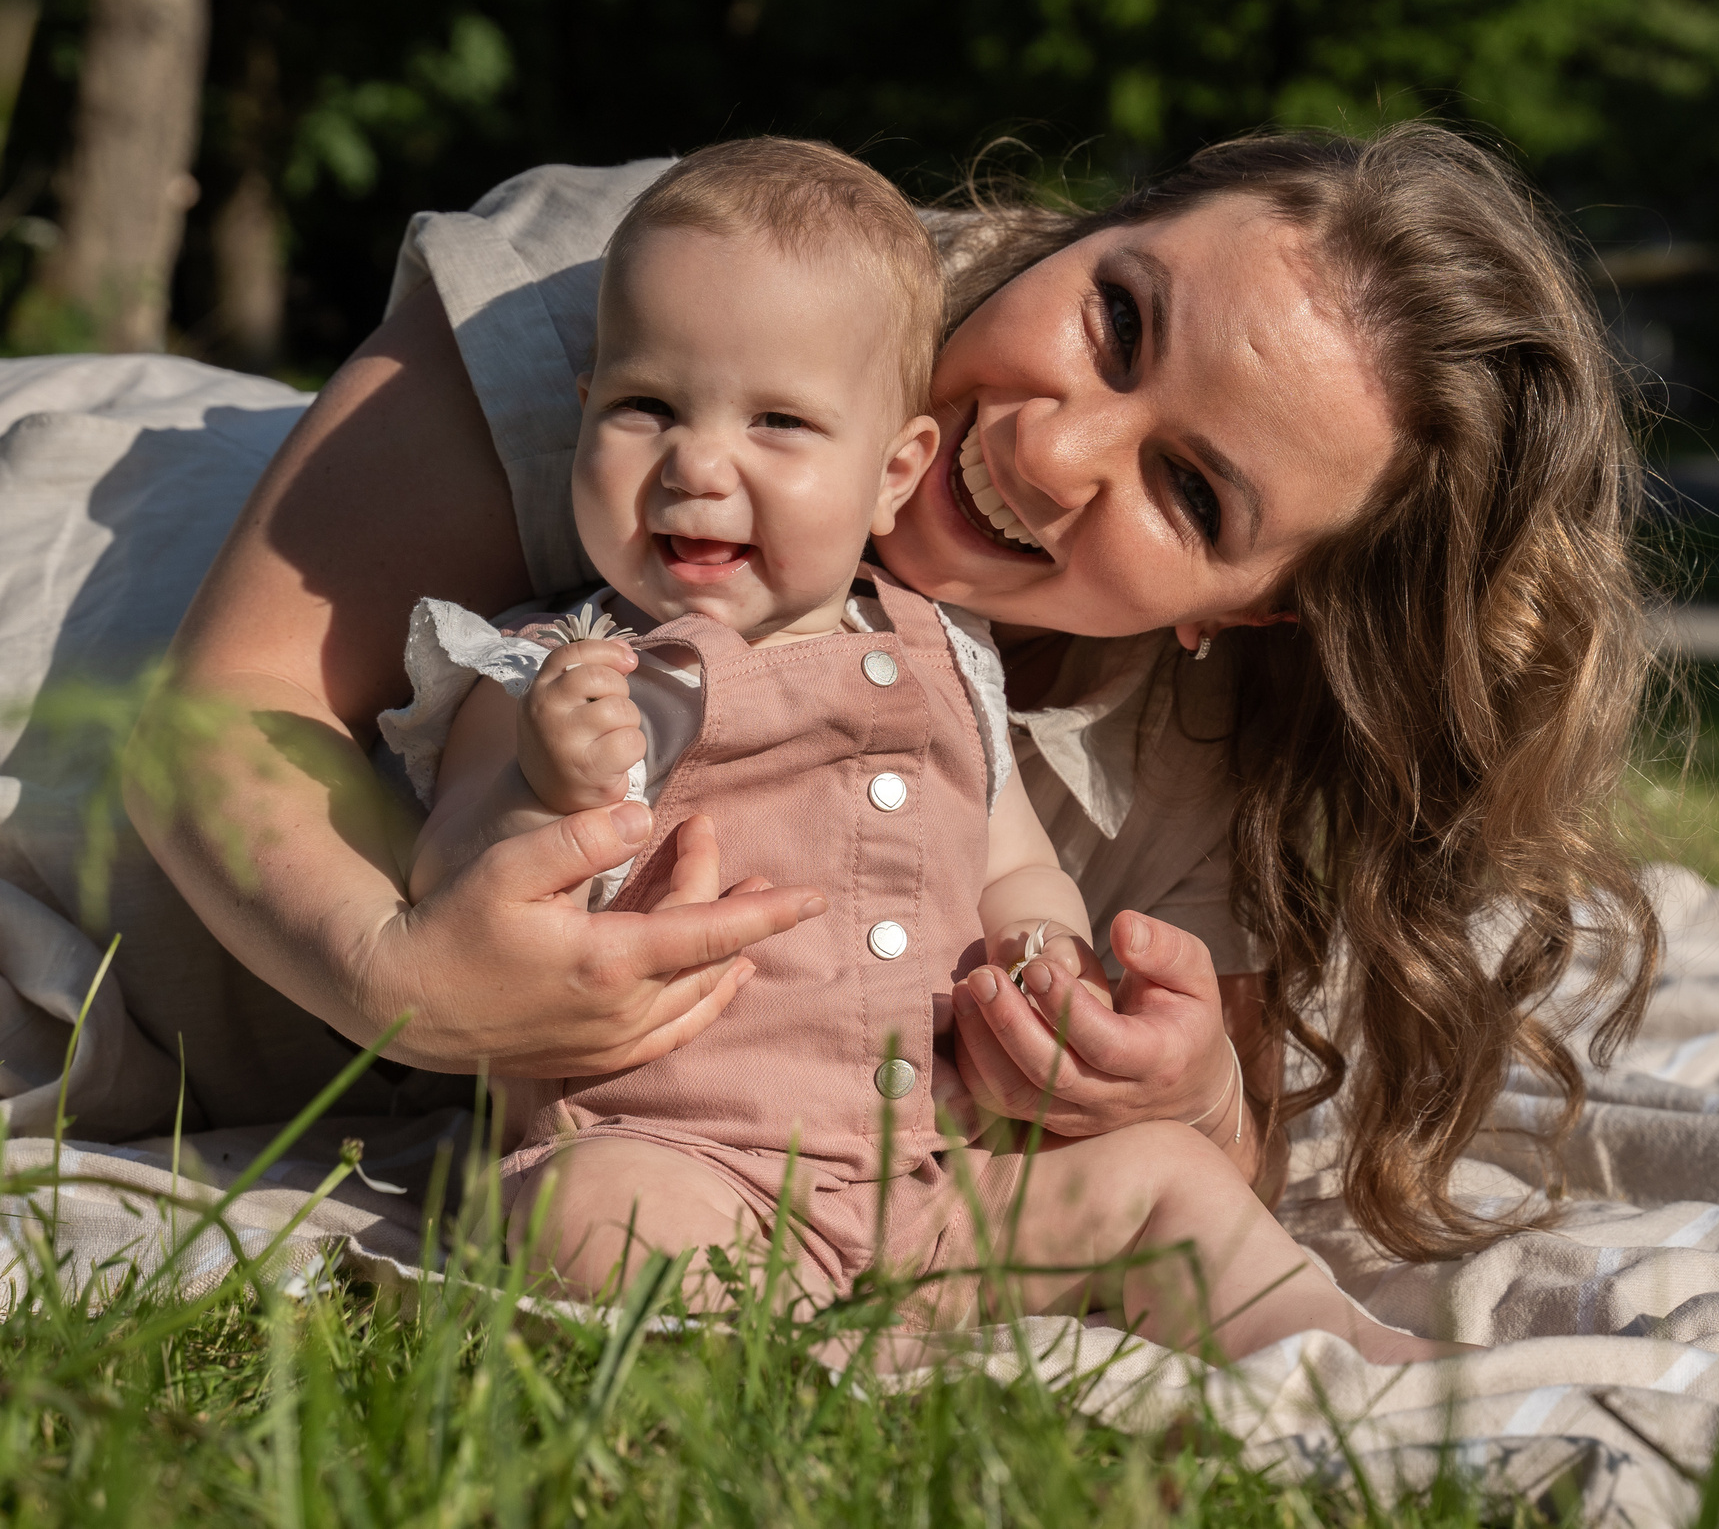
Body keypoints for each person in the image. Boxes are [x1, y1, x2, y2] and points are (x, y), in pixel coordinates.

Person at [127, 121, 1662, 1277]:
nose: (1057, 453)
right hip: (135, 603)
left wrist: (1173, 1090)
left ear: (1251, 608)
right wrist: (401, 967)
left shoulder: (1194, 724)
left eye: (1190, 492)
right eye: (1118, 320)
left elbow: (1225, 1139)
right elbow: (227, 702)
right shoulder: (696, 302)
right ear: (1085, 229)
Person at [386, 138, 1458, 1361]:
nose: (696, 464)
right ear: (582, 413)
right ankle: (788, 1355)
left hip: (922, 1196)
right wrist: (545, 790)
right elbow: (448, 898)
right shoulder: (549, 668)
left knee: (1166, 1179)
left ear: (892, 471)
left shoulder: (950, 665)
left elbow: (1011, 864)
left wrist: (1051, 963)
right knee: (590, 1211)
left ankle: (1342, 1354)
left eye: (780, 424)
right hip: (683, 1158)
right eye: (647, 410)